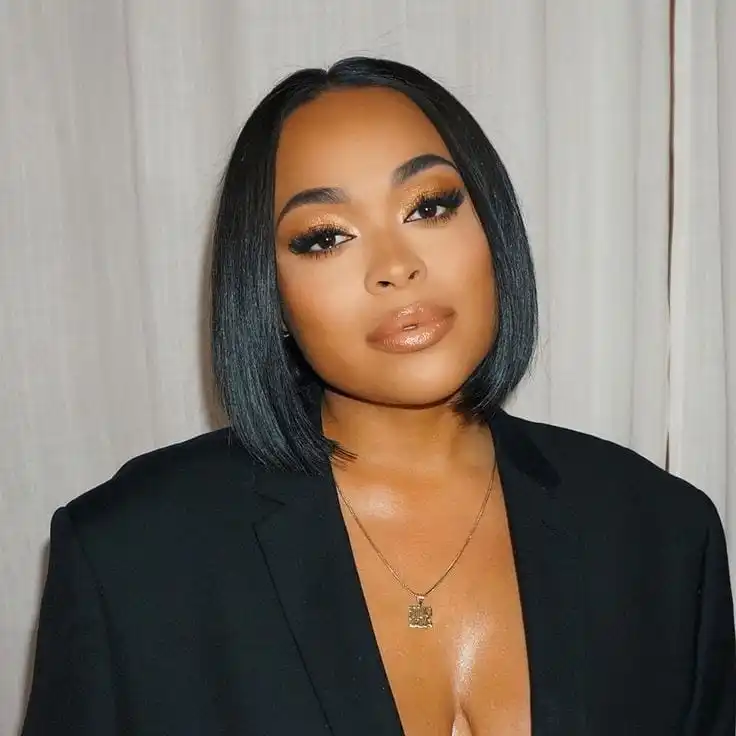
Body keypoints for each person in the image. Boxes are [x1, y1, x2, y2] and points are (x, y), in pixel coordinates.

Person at [21, 57, 735, 736]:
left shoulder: (663, 533)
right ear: (269, 294)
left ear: (492, 229)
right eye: (325, 238)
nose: (395, 267)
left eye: (429, 206)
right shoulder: (132, 554)